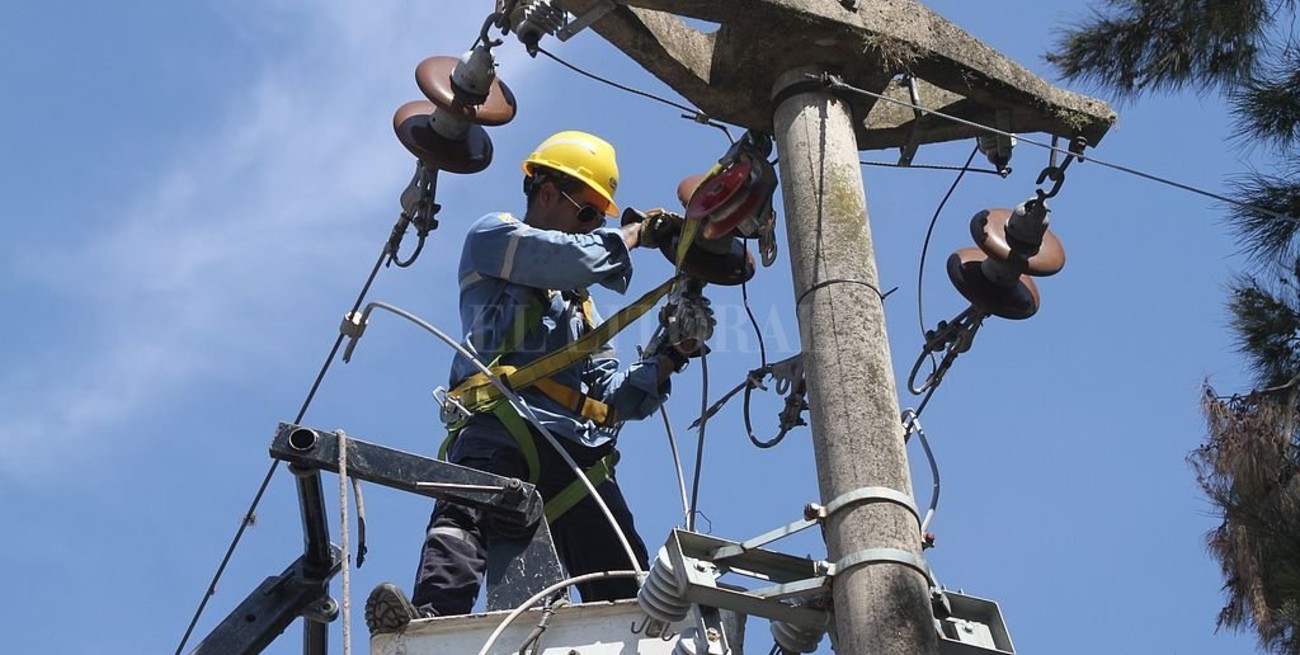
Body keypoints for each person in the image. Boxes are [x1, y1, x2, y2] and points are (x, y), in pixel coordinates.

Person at [366, 130, 695, 633]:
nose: (592, 228)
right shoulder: (494, 237)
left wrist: (670, 354)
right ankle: (430, 622)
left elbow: (610, 397)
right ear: (546, 193)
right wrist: (633, 235)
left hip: (570, 446)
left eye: (596, 221)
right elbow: (570, 259)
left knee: (623, 566)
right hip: (502, 420)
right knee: (465, 514)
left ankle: (640, 638)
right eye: (587, 214)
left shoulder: (580, 307)